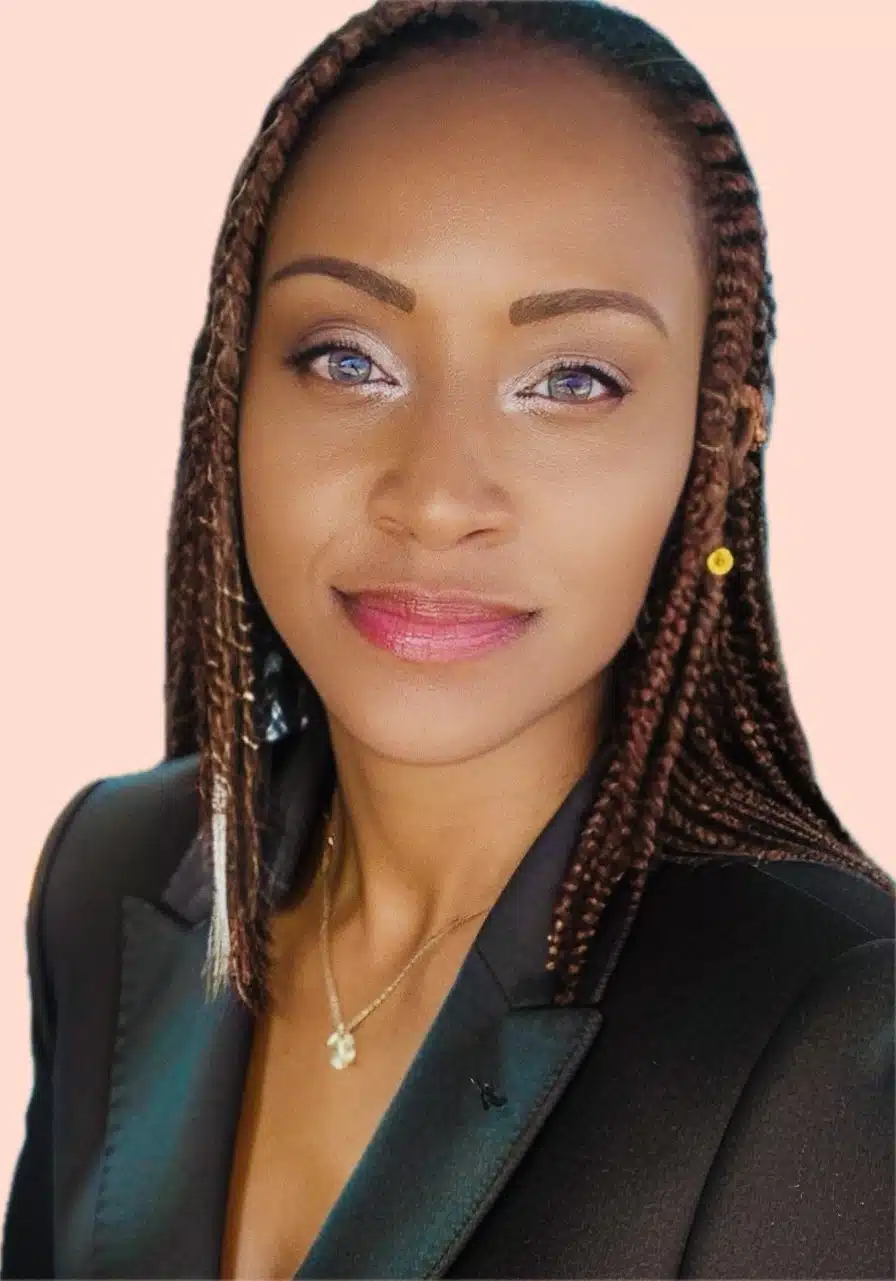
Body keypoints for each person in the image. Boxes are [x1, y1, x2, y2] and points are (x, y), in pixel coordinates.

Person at [3, 1, 894, 1277]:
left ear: (717, 446)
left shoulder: (826, 1032)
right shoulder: (117, 871)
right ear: (230, 389)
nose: (432, 499)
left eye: (570, 382)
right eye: (346, 359)